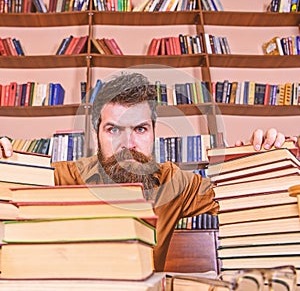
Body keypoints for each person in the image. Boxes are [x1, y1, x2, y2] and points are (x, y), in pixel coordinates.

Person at [0, 73, 296, 272]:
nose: (128, 144)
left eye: (140, 129)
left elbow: (248, 198)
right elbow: (10, 194)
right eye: (113, 129)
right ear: (96, 134)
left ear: (154, 132)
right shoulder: (64, 177)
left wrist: (265, 160)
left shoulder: (175, 181)